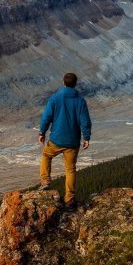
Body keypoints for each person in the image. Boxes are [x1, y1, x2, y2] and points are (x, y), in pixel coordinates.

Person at [38, 72, 91, 209]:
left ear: (63, 83)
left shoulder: (55, 98)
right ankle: (70, 198)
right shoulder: (80, 101)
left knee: (46, 155)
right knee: (70, 169)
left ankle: (45, 182)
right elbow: (85, 121)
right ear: (75, 84)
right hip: (72, 142)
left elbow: (46, 117)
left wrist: (42, 132)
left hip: (56, 139)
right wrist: (86, 138)